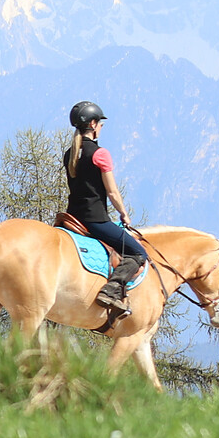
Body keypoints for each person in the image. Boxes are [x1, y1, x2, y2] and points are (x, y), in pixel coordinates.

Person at [64, 100, 146, 317]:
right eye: (100, 123)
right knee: (138, 253)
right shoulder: (100, 154)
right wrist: (124, 213)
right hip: (95, 219)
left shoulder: (69, 154)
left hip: (72, 217)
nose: (101, 127)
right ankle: (110, 291)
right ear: (92, 123)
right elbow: (112, 192)